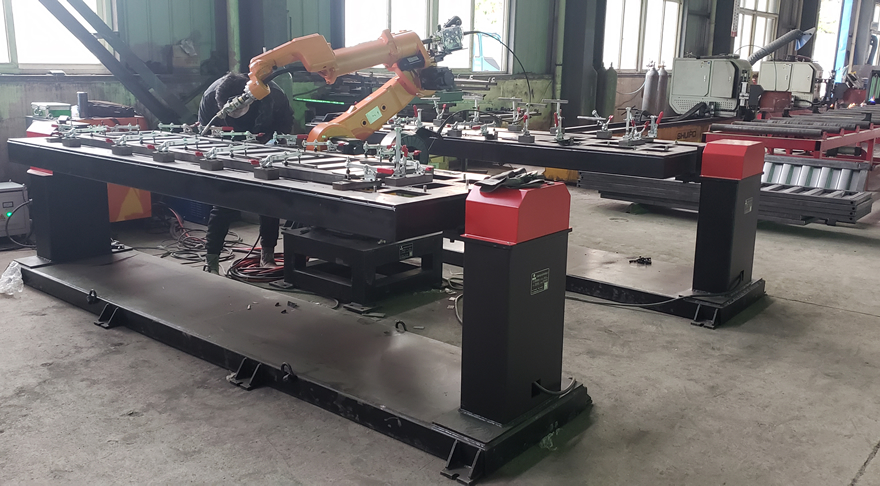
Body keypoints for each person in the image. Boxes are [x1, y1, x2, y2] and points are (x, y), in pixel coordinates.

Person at [198, 72, 294, 274]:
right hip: (228, 151)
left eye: (237, 109)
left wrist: (273, 144)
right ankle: (212, 262)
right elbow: (204, 135)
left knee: (269, 201)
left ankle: (267, 256)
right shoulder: (210, 98)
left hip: (265, 149)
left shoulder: (272, 95)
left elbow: (286, 124)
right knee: (222, 202)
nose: (233, 113)